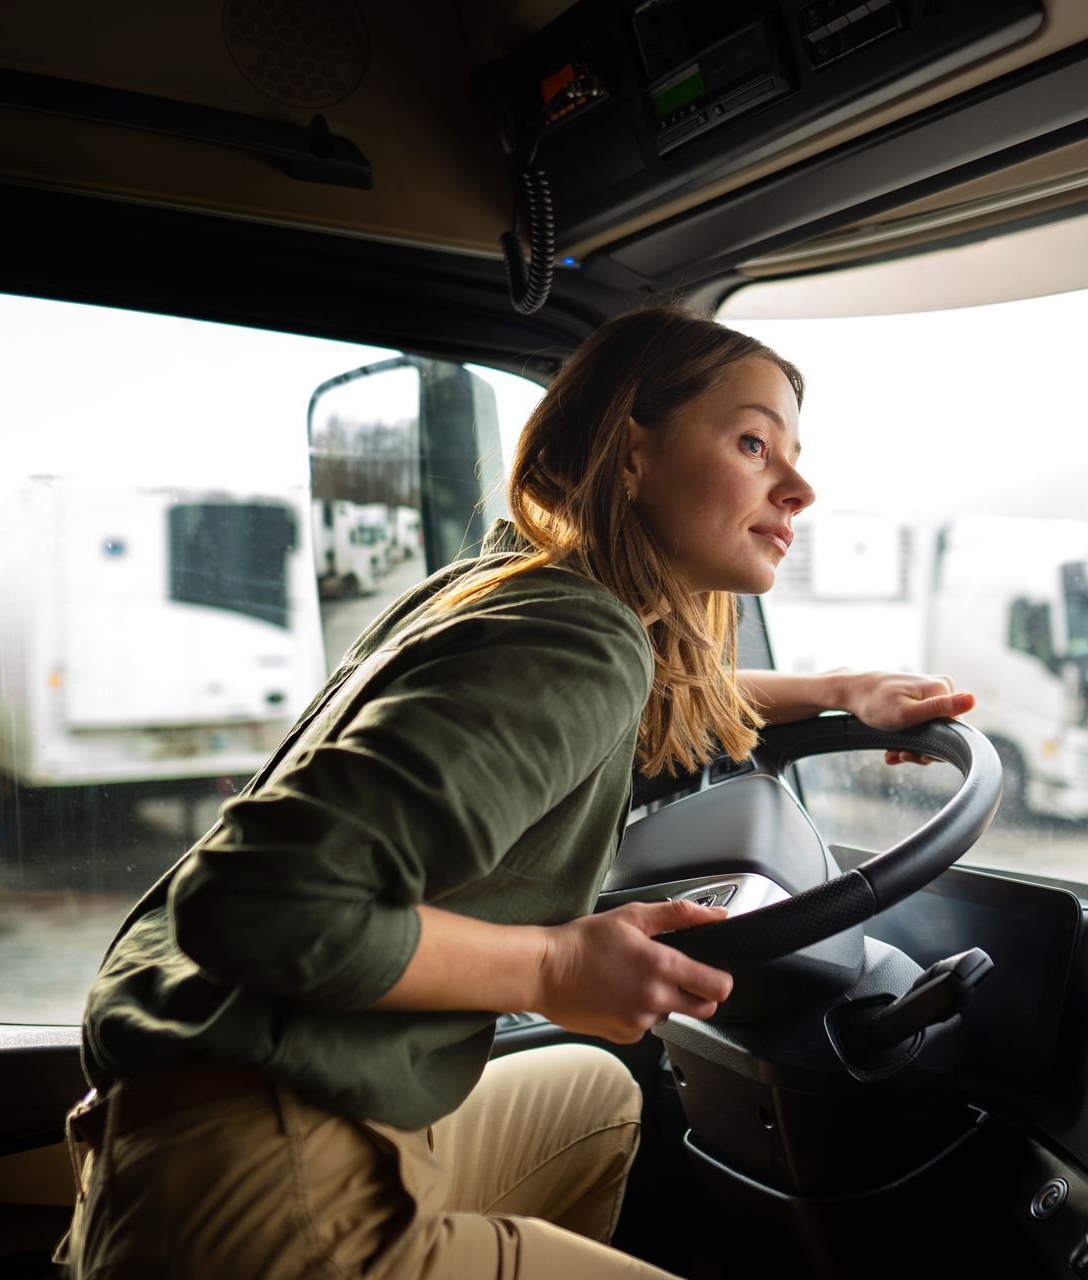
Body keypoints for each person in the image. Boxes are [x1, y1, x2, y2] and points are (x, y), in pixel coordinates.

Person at [57, 307, 974, 1279]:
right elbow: (255, 900)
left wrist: (841, 691)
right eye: (754, 442)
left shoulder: (516, 590)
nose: (799, 485)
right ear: (631, 454)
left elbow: (646, 700)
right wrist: (551, 967)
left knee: (592, 1094)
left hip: (185, 1119)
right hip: (265, 1189)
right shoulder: (581, 643)